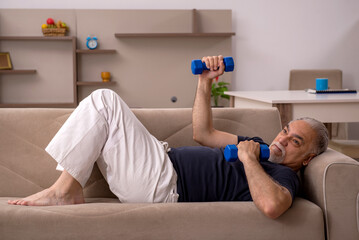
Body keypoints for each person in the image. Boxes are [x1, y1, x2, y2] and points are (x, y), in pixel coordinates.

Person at [8, 55, 328, 219]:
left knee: (104, 101)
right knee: (105, 105)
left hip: (164, 186)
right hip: (160, 162)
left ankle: (64, 191)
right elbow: (203, 133)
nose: (282, 141)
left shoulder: (285, 176)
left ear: (308, 158)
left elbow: (273, 206)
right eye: (286, 131)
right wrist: (205, 82)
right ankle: (67, 188)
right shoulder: (258, 145)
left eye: (295, 142)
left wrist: (247, 158)